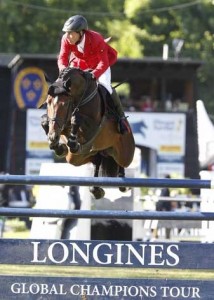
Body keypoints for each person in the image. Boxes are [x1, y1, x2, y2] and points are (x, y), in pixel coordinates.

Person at [57, 15, 128, 134]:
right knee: (67, 86)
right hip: (80, 64)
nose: (68, 36)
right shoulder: (66, 39)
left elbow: (103, 63)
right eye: (67, 33)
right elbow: (62, 57)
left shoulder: (96, 39)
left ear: (80, 32)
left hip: (100, 65)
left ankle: (121, 118)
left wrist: (94, 74)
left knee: (106, 87)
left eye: (71, 33)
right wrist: (63, 69)